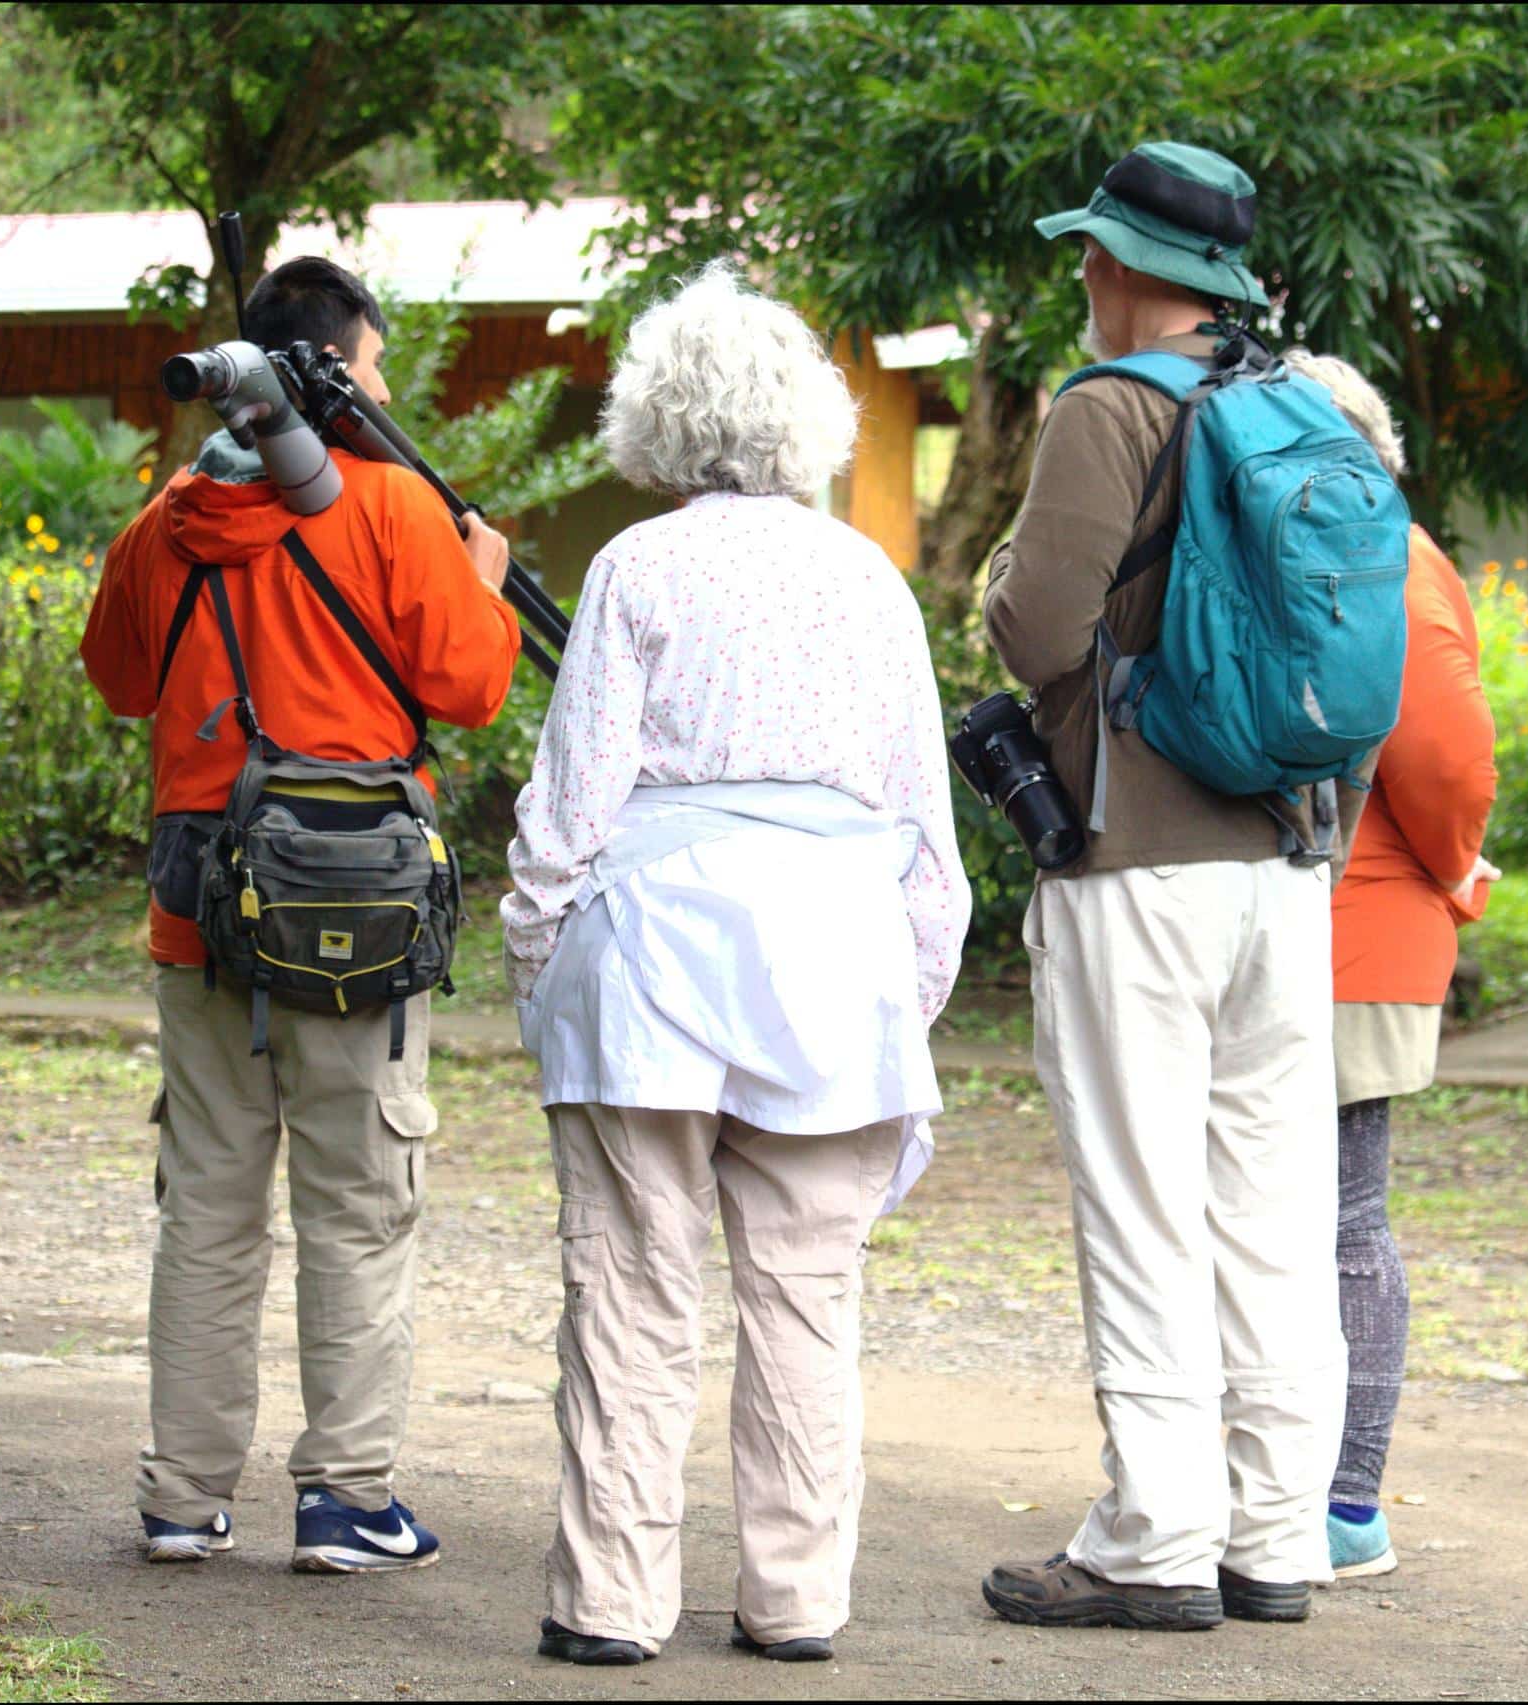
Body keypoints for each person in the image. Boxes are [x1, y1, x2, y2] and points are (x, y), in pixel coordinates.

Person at [500, 261, 970, 1668]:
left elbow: (567, 806)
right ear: (807, 422)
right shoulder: (871, 579)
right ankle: (796, 1598)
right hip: (836, 956)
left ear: (654, 417)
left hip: (651, 950)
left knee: (631, 1287)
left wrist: (542, 970)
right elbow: (921, 834)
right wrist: (913, 990)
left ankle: (610, 1602)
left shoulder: (636, 567)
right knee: (810, 1298)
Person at [81, 256, 521, 1572]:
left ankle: (182, 1496)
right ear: (330, 370)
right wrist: (481, 575)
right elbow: (474, 685)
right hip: (360, 921)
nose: (382, 388)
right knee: (360, 1204)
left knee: (208, 1207)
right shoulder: (392, 510)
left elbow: (115, 676)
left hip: (201, 913)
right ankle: (346, 1497)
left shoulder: (170, 520)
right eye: (373, 364)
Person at [975, 142, 1349, 1632]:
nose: (1082, 277)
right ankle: (1275, 1534)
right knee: (1271, 1208)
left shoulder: (1107, 411)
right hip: (1285, 861)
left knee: (1141, 1203)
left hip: (1134, 862)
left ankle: (1152, 1539)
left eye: (1092, 256)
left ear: (1131, 271)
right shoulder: (1303, 403)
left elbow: (1038, 631)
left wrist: (1006, 577)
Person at [1283, 352, 1498, 1578]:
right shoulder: (1394, 558)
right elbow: (1454, 772)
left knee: (1336, 1220)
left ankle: (1342, 1499)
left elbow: (1441, 760)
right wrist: (1458, 865)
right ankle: (1320, 1496)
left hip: (1345, 929)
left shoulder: (1385, 561)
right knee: (1329, 1219)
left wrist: (1453, 859)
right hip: (1356, 919)